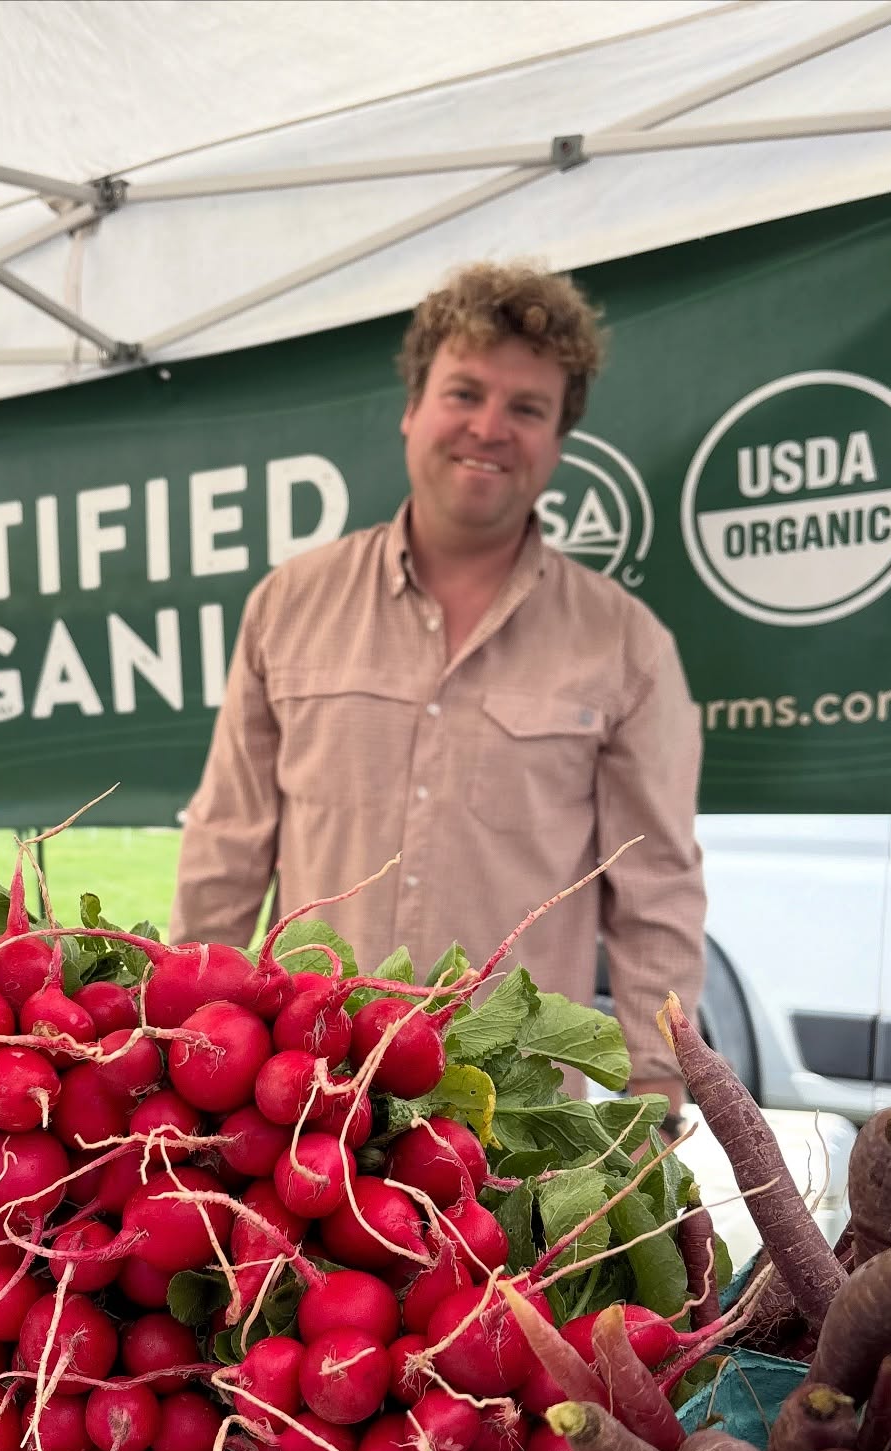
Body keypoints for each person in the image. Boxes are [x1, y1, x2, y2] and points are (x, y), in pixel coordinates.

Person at [168, 261, 704, 1117]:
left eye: (527, 408)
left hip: (512, 1119)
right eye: (465, 393)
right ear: (413, 408)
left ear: (558, 441)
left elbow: (656, 892)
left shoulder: (626, 645)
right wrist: (185, 1039)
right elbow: (227, 848)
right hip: (300, 1100)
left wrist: (659, 1085)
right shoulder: (289, 605)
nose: (490, 427)